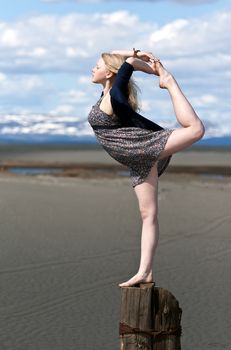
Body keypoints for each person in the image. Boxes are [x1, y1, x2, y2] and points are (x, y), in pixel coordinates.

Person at [88, 49, 205, 287]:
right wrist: (135, 53)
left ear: (110, 72)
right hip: (138, 159)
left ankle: (170, 84)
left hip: (141, 148)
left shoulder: (114, 95)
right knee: (148, 215)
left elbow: (127, 65)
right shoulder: (105, 95)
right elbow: (122, 59)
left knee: (195, 129)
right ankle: (145, 272)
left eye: (97, 65)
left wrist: (140, 63)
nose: (92, 68)